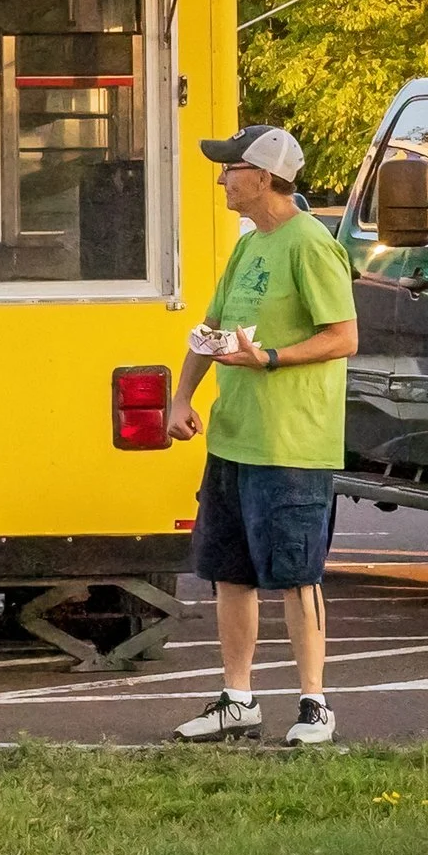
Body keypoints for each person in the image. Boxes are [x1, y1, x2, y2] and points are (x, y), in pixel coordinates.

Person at [166, 124, 358, 747]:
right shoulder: (249, 246)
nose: (222, 177)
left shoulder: (310, 245)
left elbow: (344, 336)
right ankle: (238, 699)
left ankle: (314, 706)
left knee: (298, 575)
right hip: (234, 438)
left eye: (230, 168)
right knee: (231, 573)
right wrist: (181, 395)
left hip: (293, 443)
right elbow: (211, 327)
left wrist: (271, 358)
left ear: (266, 177)